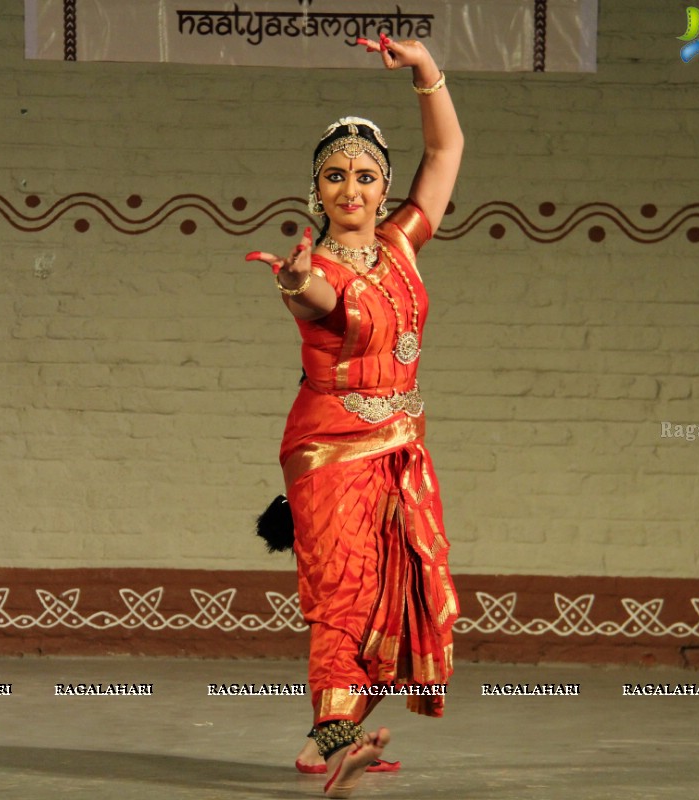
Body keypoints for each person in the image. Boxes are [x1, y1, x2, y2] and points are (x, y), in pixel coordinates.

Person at [246, 33, 463, 799]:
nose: (351, 188)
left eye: (365, 176)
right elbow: (321, 303)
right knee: (345, 586)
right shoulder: (323, 267)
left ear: (384, 186)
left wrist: (426, 70)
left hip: (400, 445)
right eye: (334, 176)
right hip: (330, 447)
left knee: (392, 592)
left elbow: (446, 156)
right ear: (317, 190)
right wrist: (297, 282)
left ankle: (325, 738)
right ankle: (336, 731)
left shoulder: (403, 246)